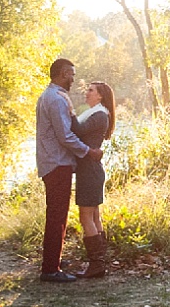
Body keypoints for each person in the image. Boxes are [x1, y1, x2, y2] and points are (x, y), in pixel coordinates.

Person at [35, 58, 100, 283]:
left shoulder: (50, 96)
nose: (73, 78)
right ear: (63, 73)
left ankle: (53, 260)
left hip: (51, 162)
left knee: (56, 214)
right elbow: (65, 135)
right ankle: (50, 269)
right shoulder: (56, 100)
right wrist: (88, 152)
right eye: (71, 74)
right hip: (57, 163)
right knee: (57, 216)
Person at [71, 81, 116, 278]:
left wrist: (68, 109)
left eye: (91, 90)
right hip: (90, 170)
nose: (86, 93)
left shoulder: (99, 115)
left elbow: (78, 130)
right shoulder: (98, 113)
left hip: (90, 171)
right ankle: (99, 263)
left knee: (86, 217)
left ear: (100, 96)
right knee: (94, 217)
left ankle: (97, 264)